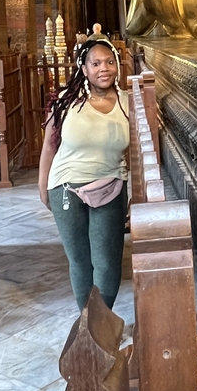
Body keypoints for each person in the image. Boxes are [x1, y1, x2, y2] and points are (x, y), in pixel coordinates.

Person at [38, 37, 129, 310]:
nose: (104, 68)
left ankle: (100, 321)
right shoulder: (66, 101)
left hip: (110, 187)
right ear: (84, 69)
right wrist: (43, 187)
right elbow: (49, 146)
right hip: (65, 188)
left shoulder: (128, 103)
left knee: (107, 262)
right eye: (96, 63)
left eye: (110, 62)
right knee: (79, 260)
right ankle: (87, 322)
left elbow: (137, 150)